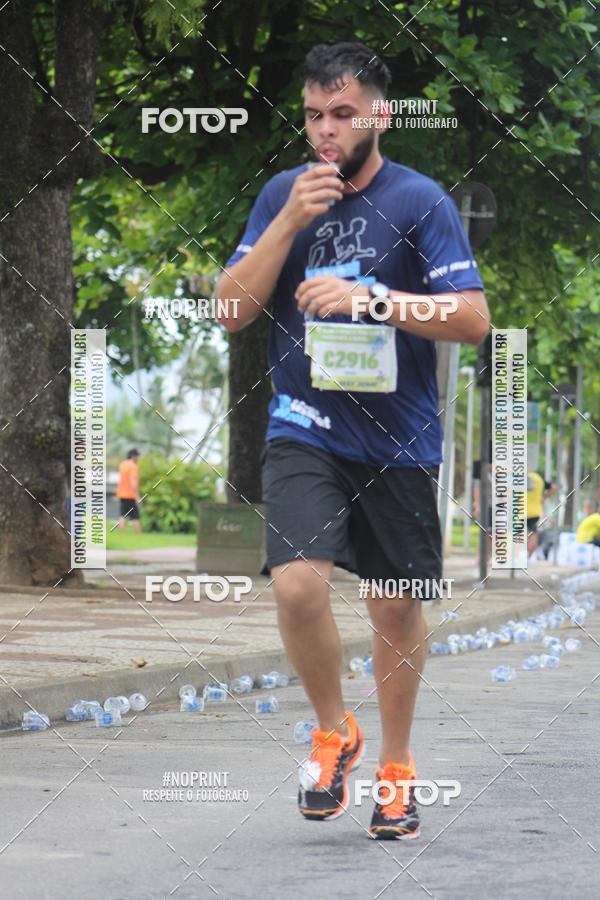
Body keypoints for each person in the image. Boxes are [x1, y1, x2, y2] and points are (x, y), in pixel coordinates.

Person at [218, 42, 489, 840]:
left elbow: (471, 320)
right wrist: (289, 223)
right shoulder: (281, 194)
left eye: (342, 114)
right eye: (313, 116)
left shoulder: (422, 202)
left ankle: (398, 771)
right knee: (298, 584)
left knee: (394, 606)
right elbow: (231, 310)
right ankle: (334, 730)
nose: (326, 131)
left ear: (380, 115)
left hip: (399, 438)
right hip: (305, 425)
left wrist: (372, 299)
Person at [526, 471, 555, 556]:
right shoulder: (538, 478)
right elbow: (553, 488)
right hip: (535, 511)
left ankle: (519, 557)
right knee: (533, 534)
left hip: (520, 510)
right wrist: (543, 498)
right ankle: (528, 557)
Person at [116, 449, 141, 534]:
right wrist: (137, 497)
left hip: (122, 494)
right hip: (131, 495)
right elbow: (133, 481)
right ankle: (138, 536)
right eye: (137, 456)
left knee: (122, 515)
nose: (137, 459)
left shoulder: (122, 464)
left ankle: (121, 534)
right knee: (135, 516)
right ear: (133, 456)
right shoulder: (133, 466)